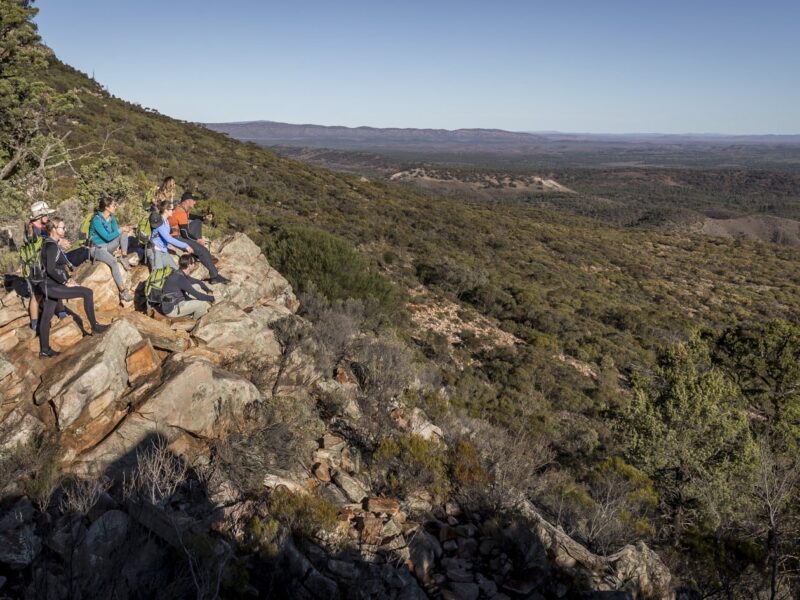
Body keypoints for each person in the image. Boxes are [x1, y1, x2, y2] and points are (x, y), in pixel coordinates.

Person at [37, 220, 109, 358]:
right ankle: (95, 326)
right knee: (87, 292)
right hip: (52, 286)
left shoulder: (49, 243)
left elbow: (54, 267)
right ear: (53, 229)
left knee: (46, 317)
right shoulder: (51, 246)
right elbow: (51, 269)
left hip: (48, 285)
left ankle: (44, 351)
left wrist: (66, 278)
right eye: (62, 227)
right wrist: (66, 281)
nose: (65, 229)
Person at [168, 191, 229, 284]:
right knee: (203, 251)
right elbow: (185, 234)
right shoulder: (180, 212)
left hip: (179, 234)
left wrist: (203, 218)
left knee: (197, 222)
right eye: (193, 200)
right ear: (187, 201)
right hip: (175, 237)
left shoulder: (182, 208)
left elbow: (190, 216)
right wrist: (198, 240)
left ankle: (197, 250)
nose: (195, 202)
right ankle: (215, 276)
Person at [88, 197, 134, 302]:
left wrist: (123, 230)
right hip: (96, 249)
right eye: (114, 205)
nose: (116, 206)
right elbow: (107, 237)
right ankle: (123, 292)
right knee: (113, 262)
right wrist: (120, 229)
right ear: (107, 207)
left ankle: (124, 257)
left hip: (107, 247)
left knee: (123, 233)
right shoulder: (96, 220)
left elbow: (116, 232)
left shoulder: (112, 217)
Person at [160, 253, 215, 320]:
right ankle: (195, 322)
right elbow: (197, 295)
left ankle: (192, 311)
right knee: (202, 304)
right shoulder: (180, 278)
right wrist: (211, 298)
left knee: (197, 286)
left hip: (174, 302)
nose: (194, 264)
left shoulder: (179, 273)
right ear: (189, 265)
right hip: (172, 309)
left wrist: (208, 290)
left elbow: (198, 282)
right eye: (194, 263)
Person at [147, 201, 193, 270]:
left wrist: (168, 246)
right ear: (166, 210)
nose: (173, 211)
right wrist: (185, 246)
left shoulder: (166, 221)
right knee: (158, 276)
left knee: (175, 271)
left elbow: (163, 237)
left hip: (163, 250)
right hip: (155, 251)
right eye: (172, 209)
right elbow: (168, 238)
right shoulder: (159, 222)